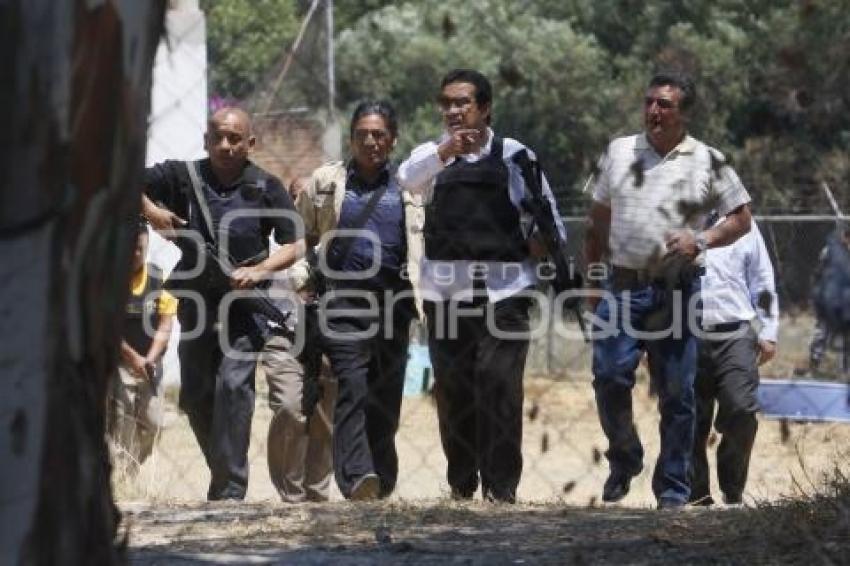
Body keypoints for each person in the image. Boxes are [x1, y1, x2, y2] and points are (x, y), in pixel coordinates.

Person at [584, 70, 752, 509]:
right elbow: (597, 221)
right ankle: (625, 457)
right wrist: (592, 282)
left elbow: (741, 218)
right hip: (620, 288)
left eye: (665, 104)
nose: (654, 111)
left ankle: (673, 490)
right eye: (649, 102)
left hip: (676, 292)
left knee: (678, 394)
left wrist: (701, 239)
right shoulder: (619, 152)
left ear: (684, 114)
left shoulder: (709, 160)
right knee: (608, 378)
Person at [397, 68, 566, 503]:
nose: (453, 111)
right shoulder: (430, 156)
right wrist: (446, 151)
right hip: (446, 294)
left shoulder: (514, 155)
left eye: (463, 103)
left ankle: (501, 488)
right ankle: (461, 483)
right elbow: (407, 179)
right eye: (447, 103)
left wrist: (538, 249)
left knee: (498, 383)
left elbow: (548, 218)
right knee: (453, 390)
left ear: (485, 108)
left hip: (504, 291)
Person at [142, 107, 304, 500]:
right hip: (197, 300)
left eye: (235, 138)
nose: (226, 145)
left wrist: (260, 270)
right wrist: (152, 212)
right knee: (196, 396)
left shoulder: (265, 186)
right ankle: (224, 472)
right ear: (205, 141)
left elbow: (297, 242)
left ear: (250, 143)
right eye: (218, 137)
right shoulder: (182, 177)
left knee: (233, 386)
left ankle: (230, 490)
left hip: (243, 305)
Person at [296, 100, 422, 501]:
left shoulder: (411, 186)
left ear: (393, 139)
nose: (371, 141)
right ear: (351, 138)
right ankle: (355, 478)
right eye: (363, 134)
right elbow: (300, 237)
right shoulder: (325, 181)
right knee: (352, 385)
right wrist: (302, 277)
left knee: (385, 396)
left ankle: (380, 480)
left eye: (379, 134)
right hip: (343, 302)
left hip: (394, 304)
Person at [690, 215, 778, 506]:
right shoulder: (675, 216)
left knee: (741, 409)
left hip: (737, 331)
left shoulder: (743, 225)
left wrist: (768, 330)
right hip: (683, 332)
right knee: (689, 417)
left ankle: (732, 488)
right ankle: (696, 494)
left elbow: (762, 278)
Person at [260, 177, 336, 503]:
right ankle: (290, 496)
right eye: (298, 198)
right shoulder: (279, 253)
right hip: (284, 338)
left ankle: (317, 496)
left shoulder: (339, 249)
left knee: (323, 420)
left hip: (328, 341)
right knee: (290, 409)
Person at [108, 219, 177, 473]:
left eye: (140, 249)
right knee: (122, 422)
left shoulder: (158, 278)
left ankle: (131, 466)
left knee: (153, 422)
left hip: (151, 362)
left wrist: (149, 358)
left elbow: (166, 324)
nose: (135, 254)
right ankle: (124, 479)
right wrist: (133, 358)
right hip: (119, 363)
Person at [805, 226, 850, 373]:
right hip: (829, 298)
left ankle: (844, 369)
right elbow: (819, 273)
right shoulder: (830, 251)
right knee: (822, 332)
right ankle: (814, 363)